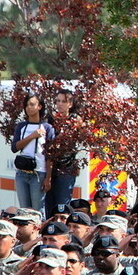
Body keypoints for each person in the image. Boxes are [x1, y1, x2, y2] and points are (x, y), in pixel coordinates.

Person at [10, 93, 55, 212]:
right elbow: (15, 147)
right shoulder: (21, 126)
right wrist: (32, 136)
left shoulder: (47, 127)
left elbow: (50, 155)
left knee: (37, 210)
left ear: (39, 106)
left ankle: (38, 230)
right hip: (21, 173)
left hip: (38, 174)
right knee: (24, 210)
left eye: (32, 104)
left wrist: (48, 178)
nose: (28, 108)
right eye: (26, 105)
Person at [45, 89, 81, 217]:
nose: (59, 104)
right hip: (50, 167)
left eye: (63, 101)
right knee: (49, 206)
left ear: (70, 104)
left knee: (62, 207)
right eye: (58, 101)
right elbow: (49, 148)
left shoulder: (75, 120)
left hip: (66, 168)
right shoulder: (50, 120)